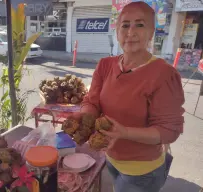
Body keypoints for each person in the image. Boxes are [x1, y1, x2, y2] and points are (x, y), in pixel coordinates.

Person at [72, 2, 185, 192]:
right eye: (125, 25)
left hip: (143, 172)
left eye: (139, 24)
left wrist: (125, 132)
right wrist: (84, 116)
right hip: (110, 159)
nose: (130, 31)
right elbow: (91, 101)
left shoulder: (164, 74)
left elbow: (168, 131)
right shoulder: (105, 65)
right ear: (117, 32)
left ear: (151, 33)